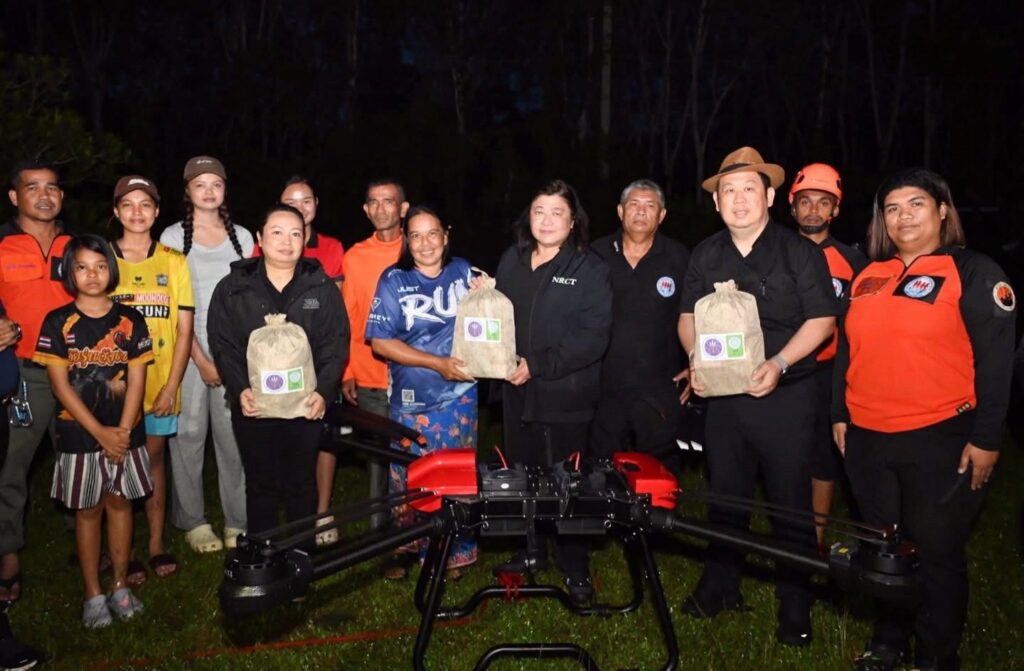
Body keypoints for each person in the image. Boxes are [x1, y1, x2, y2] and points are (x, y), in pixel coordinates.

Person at [832, 168, 1016, 671]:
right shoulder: (868, 275)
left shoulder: (973, 271)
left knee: (936, 552)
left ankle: (936, 654)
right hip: (868, 439)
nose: (903, 217)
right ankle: (889, 642)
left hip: (939, 437)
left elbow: (996, 363)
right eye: (892, 209)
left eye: (916, 204)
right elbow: (847, 350)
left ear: (942, 210)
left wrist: (987, 438)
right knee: (883, 549)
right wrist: (839, 413)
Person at [677, 147, 836, 646]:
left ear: (769, 197)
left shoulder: (798, 252)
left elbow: (823, 320)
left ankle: (796, 604)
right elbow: (687, 317)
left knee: (789, 503)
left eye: (750, 188)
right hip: (725, 399)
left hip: (786, 395)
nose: (739, 199)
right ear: (716, 202)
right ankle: (720, 585)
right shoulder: (706, 254)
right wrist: (696, 359)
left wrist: (780, 362)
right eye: (729, 190)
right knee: (725, 496)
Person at [493, 179, 612, 605]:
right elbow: (498, 317)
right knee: (521, 475)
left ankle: (574, 564)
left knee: (567, 483)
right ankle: (530, 550)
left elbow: (594, 338)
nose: (546, 221)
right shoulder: (512, 259)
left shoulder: (589, 268)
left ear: (573, 220)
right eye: (539, 211)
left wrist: (538, 365)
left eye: (557, 213)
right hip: (516, 393)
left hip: (565, 396)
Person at [33, 235, 154, 628]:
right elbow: (60, 387)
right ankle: (92, 593)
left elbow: (137, 380)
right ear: (70, 272)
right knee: (88, 511)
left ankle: (119, 585)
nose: (92, 275)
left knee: (121, 504)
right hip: (80, 435)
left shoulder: (131, 320)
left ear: (111, 271)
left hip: (125, 434)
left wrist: (122, 431)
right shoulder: (57, 322)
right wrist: (101, 433)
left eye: (101, 266)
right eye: (82, 267)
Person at [207, 204, 348, 539]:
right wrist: (239, 388)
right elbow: (223, 343)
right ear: (260, 237)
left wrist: (323, 391)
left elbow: (336, 342)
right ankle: (264, 558)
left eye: (296, 234)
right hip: (255, 405)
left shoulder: (320, 286)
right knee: (260, 484)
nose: (287, 241)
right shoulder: (234, 287)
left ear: (304, 239)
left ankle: (299, 557)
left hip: (305, 406)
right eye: (277, 232)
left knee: (301, 483)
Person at [366, 206, 478, 580]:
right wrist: (436, 363)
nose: (425, 243)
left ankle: (451, 551)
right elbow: (380, 342)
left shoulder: (464, 272)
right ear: (407, 241)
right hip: (413, 397)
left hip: (460, 394)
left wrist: (489, 291)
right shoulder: (394, 280)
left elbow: (488, 320)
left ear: (446, 236)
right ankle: (407, 545)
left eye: (433, 233)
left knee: (455, 474)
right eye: (416, 235)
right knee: (411, 475)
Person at [160, 156, 253, 553]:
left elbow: (249, 297)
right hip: (187, 347)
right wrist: (199, 359)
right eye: (200, 184)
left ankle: (238, 520)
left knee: (234, 437)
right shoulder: (170, 236)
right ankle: (193, 520)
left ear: (225, 189)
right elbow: (171, 304)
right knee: (188, 435)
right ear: (187, 190)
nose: (209, 191)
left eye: (216, 184)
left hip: (233, 349)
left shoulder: (243, 237)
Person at [109, 175, 193, 582]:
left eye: (145, 204)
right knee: (117, 462)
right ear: (116, 211)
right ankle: (119, 548)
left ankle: (156, 543)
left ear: (157, 211)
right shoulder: (102, 258)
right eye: (128, 204)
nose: (137, 212)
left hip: (160, 383)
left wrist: (172, 386)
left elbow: (184, 330)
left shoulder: (174, 260)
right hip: (113, 387)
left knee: (153, 460)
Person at [255, 176, 346, 545]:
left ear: (316, 204)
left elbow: (334, 310)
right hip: (274, 363)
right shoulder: (269, 241)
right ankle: (281, 520)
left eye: (305, 200)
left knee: (322, 438)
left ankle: (322, 512)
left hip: (319, 359)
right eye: (290, 201)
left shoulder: (331, 247)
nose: (299, 207)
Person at [0, 161, 74, 602]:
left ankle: (86, 536)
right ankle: (7, 551)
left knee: (81, 458)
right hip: (24, 373)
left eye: (52, 187)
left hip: (76, 370)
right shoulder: (2, 243)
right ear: (15, 196)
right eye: (33, 187)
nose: (44, 195)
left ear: (61, 196)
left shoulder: (76, 245)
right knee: (11, 466)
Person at [787, 163, 867, 550]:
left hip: (830, 371)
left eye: (823, 202)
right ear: (792, 207)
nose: (813, 210)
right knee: (784, 452)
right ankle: (787, 530)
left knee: (823, 455)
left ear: (835, 210)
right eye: (805, 201)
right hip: (784, 370)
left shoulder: (854, 262)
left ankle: (816, 539)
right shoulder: (775, 251)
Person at [589, 179, 691, 471]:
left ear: (662, 215)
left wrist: (698, 362)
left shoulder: (679, 257)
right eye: (634, 204)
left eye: (650, 206)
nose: (641, 212)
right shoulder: (595, 255)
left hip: (659, 390)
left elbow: (696, 314)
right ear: (620, 211)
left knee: (659, 475)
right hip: (603, 388)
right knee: (600, 476)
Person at [338, 180, 408, 535]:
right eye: (374, 202)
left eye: (389, 201)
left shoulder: (418, 247)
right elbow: (348, 318)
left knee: (413, 453)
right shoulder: (355, 257)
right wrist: (347, 370)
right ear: (366, 210)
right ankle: (381, 532)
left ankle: (416, 526)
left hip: (414, 374)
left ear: (403, 208)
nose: (382, 209)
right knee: (379, 457)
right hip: (370, 373)